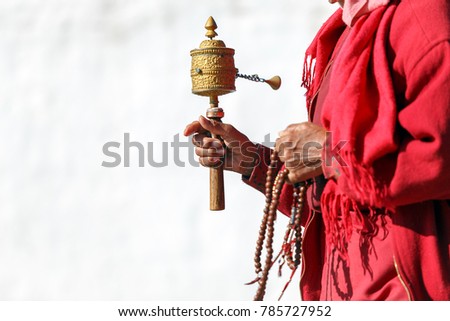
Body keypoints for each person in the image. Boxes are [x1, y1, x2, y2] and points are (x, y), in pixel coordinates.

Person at [184, 0, 450, 300]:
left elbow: (439, 157)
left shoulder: (423, 15)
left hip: (404, 292)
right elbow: (332, 193)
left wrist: (330, 152)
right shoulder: (344, 33)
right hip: (339, 290)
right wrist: (252, 161)